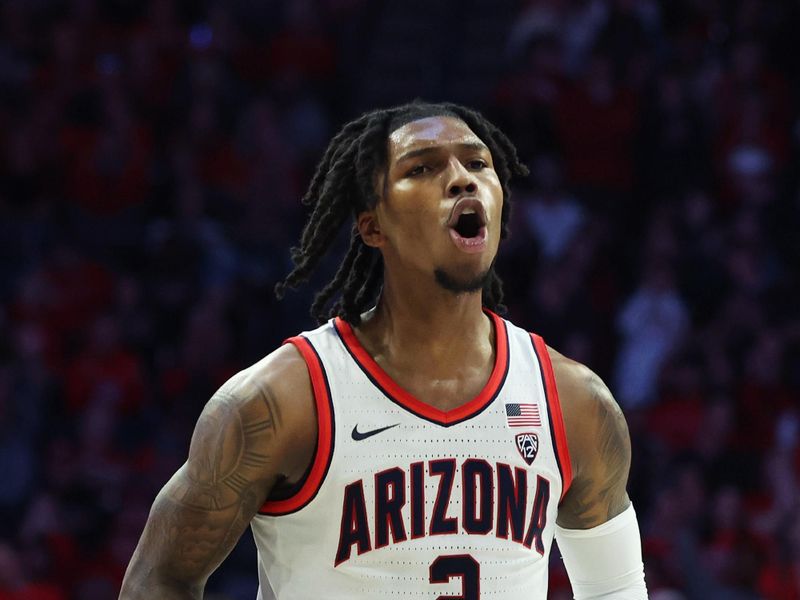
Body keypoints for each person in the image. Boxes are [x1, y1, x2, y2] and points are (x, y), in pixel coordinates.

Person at [119, 101, 648, 599]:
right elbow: (158, 579)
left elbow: (617, 590)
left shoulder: (574, 403)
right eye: (422, 168)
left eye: (478, 163)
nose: (462, 178)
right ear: (373, 226)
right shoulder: (282, 401)